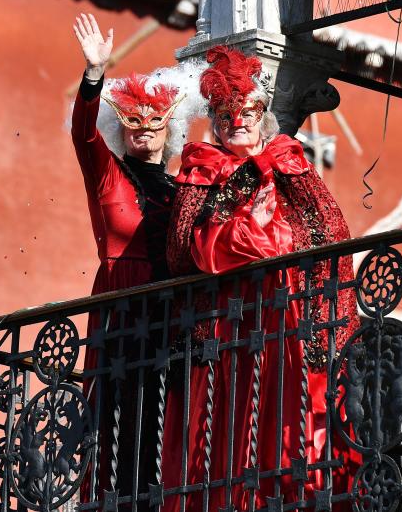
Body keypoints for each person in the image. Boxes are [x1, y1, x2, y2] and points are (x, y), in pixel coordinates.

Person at [160, 46, 359, 510]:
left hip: (290, 317)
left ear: (263, 113)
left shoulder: (291, 161)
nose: (237, 123)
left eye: (246, 112)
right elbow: (181, 253)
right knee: (228, 429)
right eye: (226, 116)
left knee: (293, 425)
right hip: (228, 326)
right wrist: (248, 230)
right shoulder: (201, 171)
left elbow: (330, 233)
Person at [71, 13, 204, 508]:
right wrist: (93, 73)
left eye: (155, 123)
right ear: (121, 129)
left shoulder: (182, 190)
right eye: (134, 124)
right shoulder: (107, 172)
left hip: (172, 309)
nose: (144, 131)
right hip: (122, 300)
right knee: (115, 403)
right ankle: (112, 498)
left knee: (163, 403)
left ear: (170, 128)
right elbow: (84, 135)